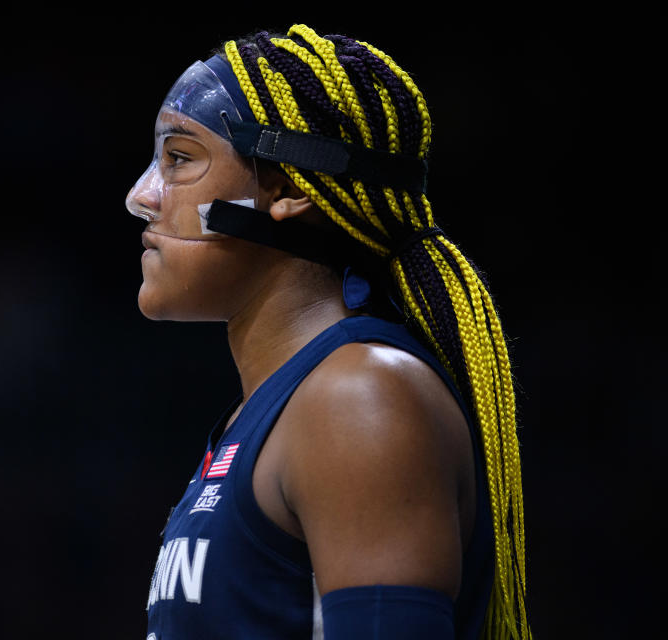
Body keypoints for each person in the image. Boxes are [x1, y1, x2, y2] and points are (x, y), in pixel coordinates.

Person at [127, 24, 529, 639]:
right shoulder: (279, 409)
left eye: (180, 159)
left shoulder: (358, 399)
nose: (143, 197)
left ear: (287, 187)